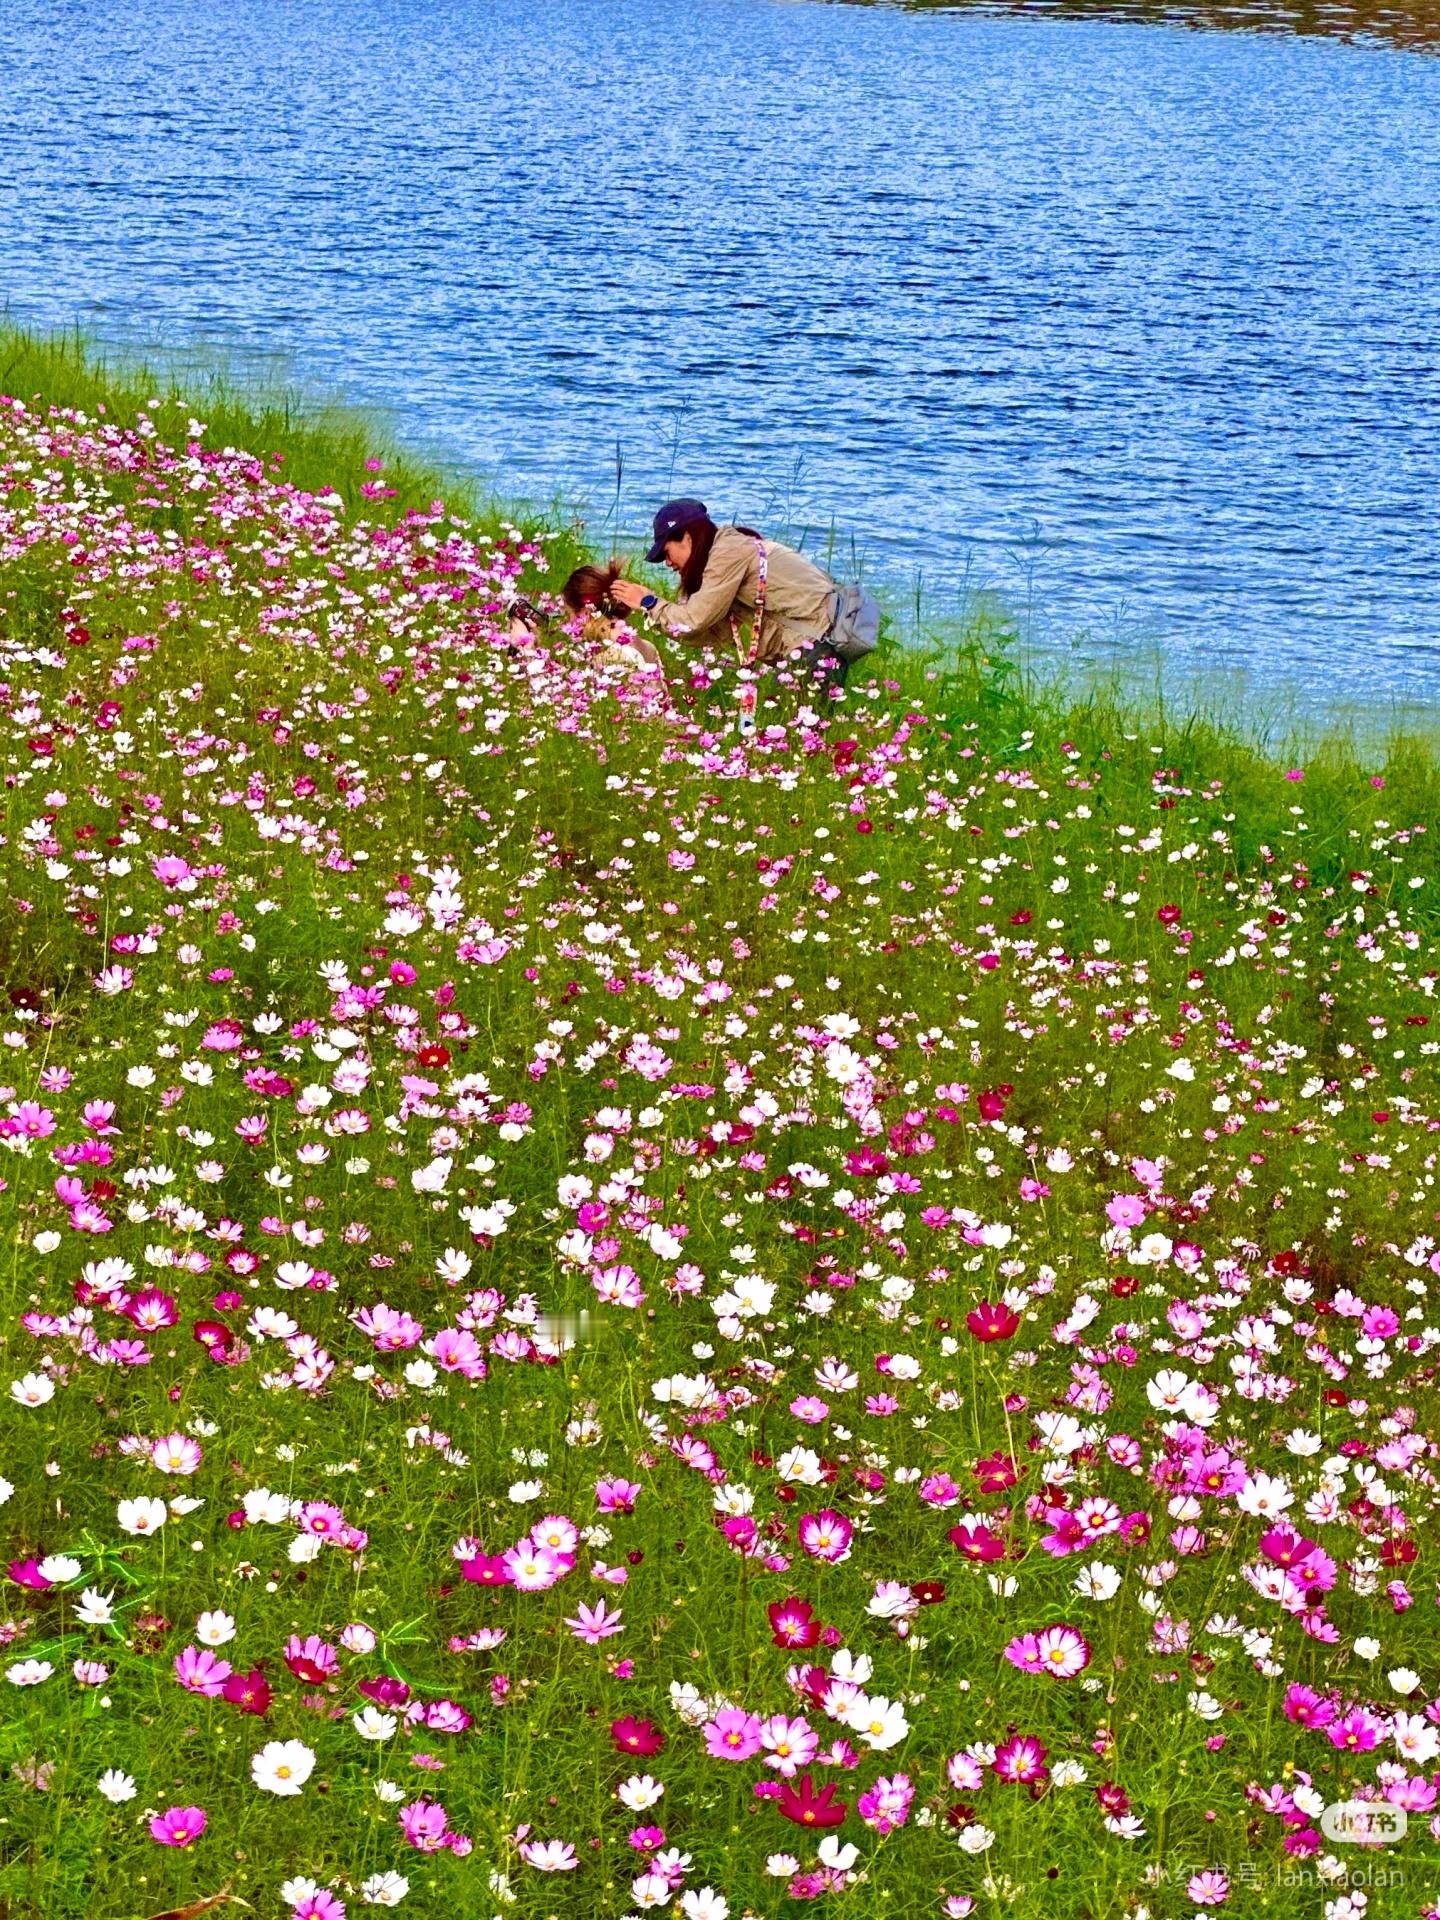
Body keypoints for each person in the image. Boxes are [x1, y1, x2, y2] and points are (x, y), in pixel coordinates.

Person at [608, 499, 848, 695]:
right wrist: (657, 617)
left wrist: (649, 602)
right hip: (816, 648)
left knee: (790, 740)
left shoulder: (727, 553)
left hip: (815, 648)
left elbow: (693, 620)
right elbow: (713, 632)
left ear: (688, 538)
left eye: (667, 553)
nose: (668, 563)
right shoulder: (727, 553)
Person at [561, 564, 664, 672]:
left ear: (587, 611)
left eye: (569, 614)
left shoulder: (611, 658)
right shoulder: (648, 647)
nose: (569, 622)